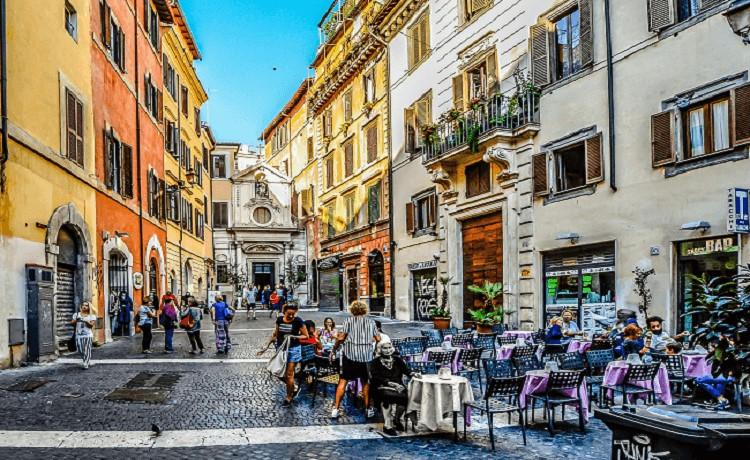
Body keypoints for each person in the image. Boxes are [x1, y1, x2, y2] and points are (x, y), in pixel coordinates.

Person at [331, 300, 380, 419]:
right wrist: (368, 342)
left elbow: (341, 338)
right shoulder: (371, 322)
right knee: (365, 383)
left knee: (343, 381)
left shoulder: (348, 321)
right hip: (366, 357)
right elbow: (377, 338)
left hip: (350, 356)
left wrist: (334, 349)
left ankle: (336, 409)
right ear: (365, 310)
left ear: (352, 310)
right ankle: (368, 409)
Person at [257, 303, 309, 406]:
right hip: (281, 350)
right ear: (284, 312)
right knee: (277, 372)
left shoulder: (298, 321)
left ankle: (288, 397)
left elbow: (305, 336)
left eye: (293, 314)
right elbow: (275, 335)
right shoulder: (279, 320)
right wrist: (266, 347)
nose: (291, 316)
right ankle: (293, 387)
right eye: (289, 314)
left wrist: (294, 336)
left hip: (293, 350)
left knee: (289, 374)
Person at [370, 341, 413, 435]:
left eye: (389, 347)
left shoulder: (397, 360)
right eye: (385, 348)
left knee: (406, 396)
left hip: (398, 386)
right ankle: (387, 425)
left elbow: (407, 371)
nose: (388, 350)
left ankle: (397, 419)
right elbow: (376, 377)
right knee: (387, 396)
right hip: (381, 386)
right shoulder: (375, 362)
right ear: (380, 350)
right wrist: (390, 383)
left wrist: (413, 374)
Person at [71, 301, 96, 369]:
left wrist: (86, 321)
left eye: (86, 305)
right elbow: (72, 323)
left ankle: (86, 363)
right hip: (78, 335)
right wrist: (76, 320)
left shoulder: (92, 316)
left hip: (88, 335)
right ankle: (87, 360)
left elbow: (91, 326)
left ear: (89, 307)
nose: (84, 307)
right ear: (81, 306)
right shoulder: (76, 314)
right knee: (80, 350)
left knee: (87, 349)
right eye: (83, 305)